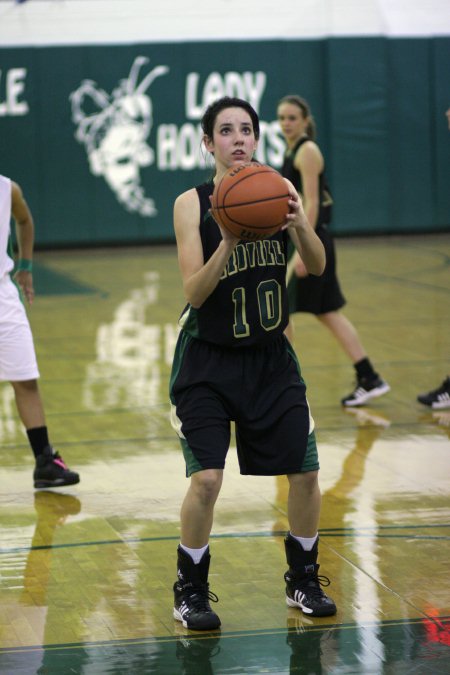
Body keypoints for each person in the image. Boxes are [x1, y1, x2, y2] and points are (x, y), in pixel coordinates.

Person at [169, 96, 336, 632]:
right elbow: (194, 293)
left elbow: (315, 264)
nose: (238, 138)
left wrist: (297, 226)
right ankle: (190, 589)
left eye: (246, 129)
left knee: (307, 473)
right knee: (207, 481)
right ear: (207, 142)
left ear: (257, 139)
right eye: (225, 131)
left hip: (270, 358)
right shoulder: (191, 204)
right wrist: (230, 241)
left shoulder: (279, 191)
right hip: (207, 362)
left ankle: (303, 578)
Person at [277, 95, 390, 407]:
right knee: (327, 312)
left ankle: (282, 380)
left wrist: (303, 248)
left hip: (311, 240)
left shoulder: (307, 150)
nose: (286, 123)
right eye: (282, 117)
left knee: (281, 310)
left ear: (304, 120)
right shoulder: (292, 149)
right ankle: (369, 377)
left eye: (292, 117)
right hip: (309, 238)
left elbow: (311, 202)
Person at [0, 175, 80, 489]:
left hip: (3, 295)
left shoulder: (8, 188)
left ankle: (45, 461)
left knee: (26, 379)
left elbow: (25, 220)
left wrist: (26, 266)